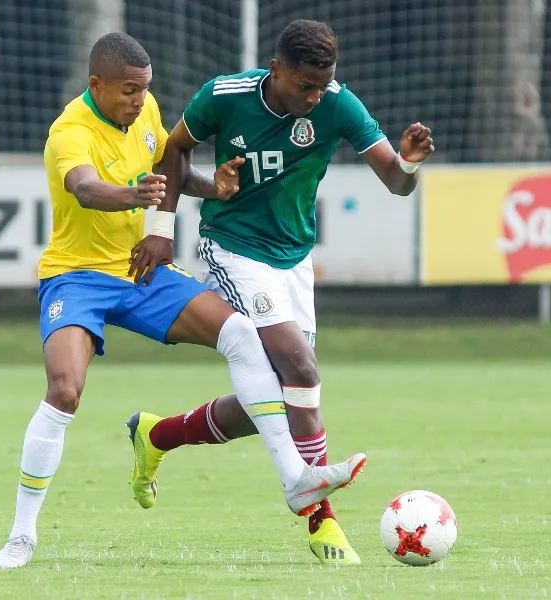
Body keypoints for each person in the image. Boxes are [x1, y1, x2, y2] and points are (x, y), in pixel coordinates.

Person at [0, 31, 366, 570]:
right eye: (127, 91)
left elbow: (172, 169)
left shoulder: (146, 114)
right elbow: (87, 188)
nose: (139, 101)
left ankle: (295, 480)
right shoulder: (68, 131)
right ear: (96, 84)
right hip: (76, 277)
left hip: (141, 270)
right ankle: (22, 535)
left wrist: (212, 187)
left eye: (144, 89)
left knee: (241, 335)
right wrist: (134, 196)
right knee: (66, 390)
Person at [127, 19, 434, 566]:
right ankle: (321, 519)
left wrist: (409, 162)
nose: (315, 97)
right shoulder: (223, 96)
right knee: (301, 368)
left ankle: (158, 436)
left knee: (272, 401)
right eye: (305, 86)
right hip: (233, 246)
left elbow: (394, 179)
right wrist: (160, 228)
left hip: (293, 260)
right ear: (276, 70)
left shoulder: (338, 104)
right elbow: (172, 153)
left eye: (323, 86)